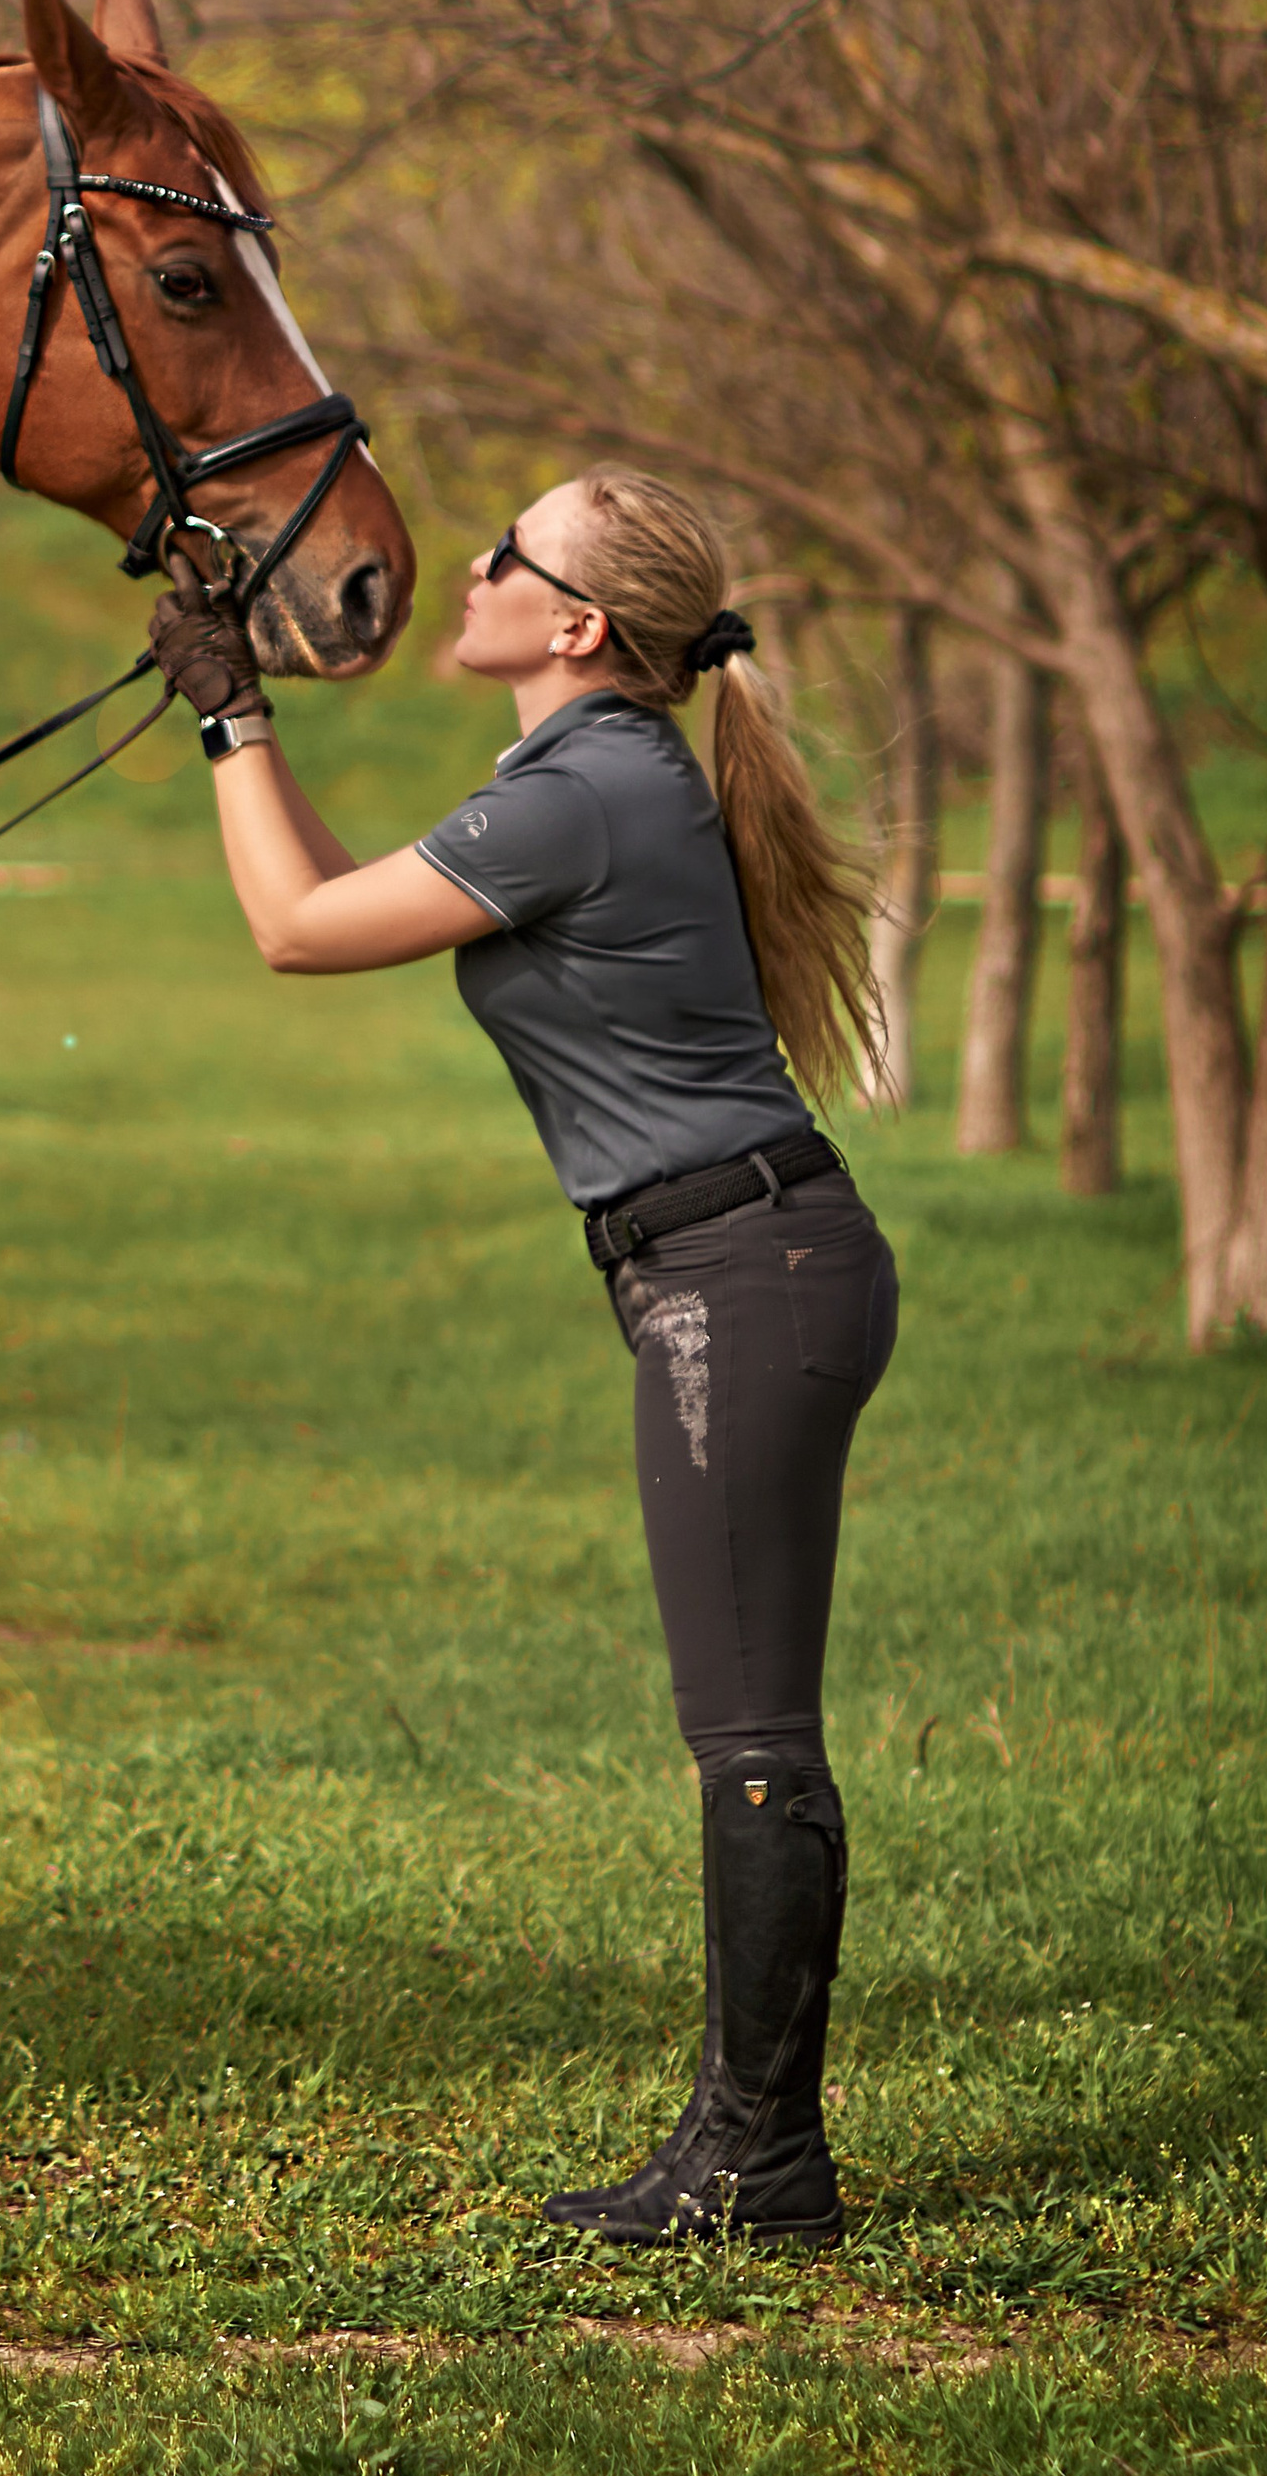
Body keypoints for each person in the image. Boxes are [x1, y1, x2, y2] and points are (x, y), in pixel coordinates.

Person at [148, 464, 898, 2245]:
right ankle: (751, 2143)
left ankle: (763, 2162)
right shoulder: (583, 780)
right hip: (741, 1260)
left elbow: (290, 930)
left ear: (574, 625)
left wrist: (235, 709)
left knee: (750, 1732)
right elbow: (333, 890)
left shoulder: (593, 792)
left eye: (506, 552)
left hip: (745, 1275)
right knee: (744, 1720)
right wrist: (238, 719)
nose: (469, 565)